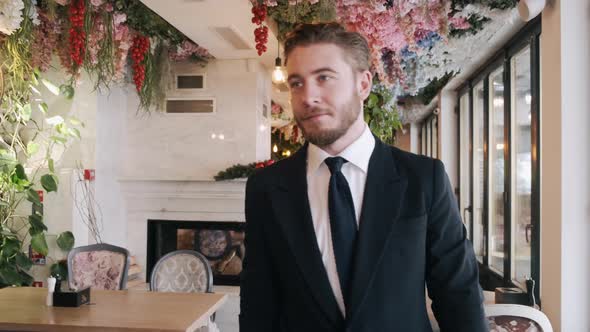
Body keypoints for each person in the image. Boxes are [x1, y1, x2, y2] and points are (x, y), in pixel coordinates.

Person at [239, 22, 487, 332]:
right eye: (296, 83)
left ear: (364, 84)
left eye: (324, 77)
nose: (308, 96)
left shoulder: (423, 179)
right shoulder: (266, 187)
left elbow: (458, 293)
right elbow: (258, 300)